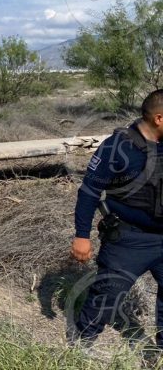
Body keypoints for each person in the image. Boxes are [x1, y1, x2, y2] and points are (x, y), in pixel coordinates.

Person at [71, 89, 163, 347]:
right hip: (128, 239)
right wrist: (81, 236)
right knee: (107, 294)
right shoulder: (118, 147)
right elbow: (89, 191)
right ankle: (82, 343)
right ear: (159, 119)